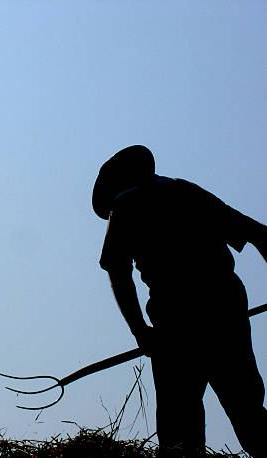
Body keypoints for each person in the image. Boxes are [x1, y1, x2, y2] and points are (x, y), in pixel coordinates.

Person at [93, 145, 267, 457]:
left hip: (176, 319)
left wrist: (140, 331)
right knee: (249, 412)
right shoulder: (186, 191)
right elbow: (258, 234)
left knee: (179, 429)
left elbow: (117, 270)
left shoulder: (126, 202)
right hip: (225, 307)